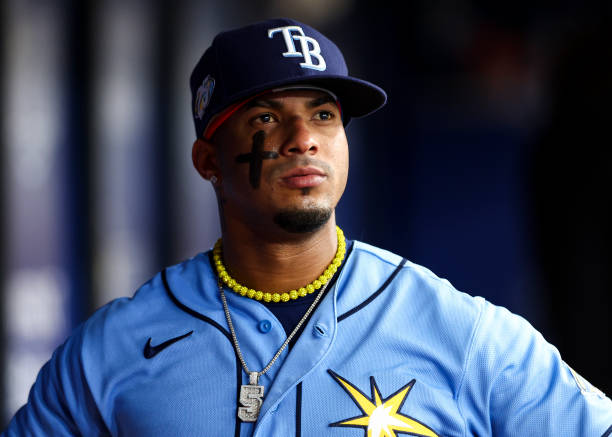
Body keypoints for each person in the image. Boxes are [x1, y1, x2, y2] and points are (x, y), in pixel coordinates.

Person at [3, 17, 612, 437]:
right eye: (267, 117)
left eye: (324, 114)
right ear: (208, 161)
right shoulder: (110, 350)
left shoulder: (465, 332)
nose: (304, 139)